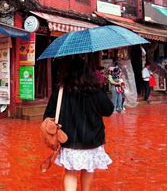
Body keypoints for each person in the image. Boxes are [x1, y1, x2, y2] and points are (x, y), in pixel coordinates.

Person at [43, 57, 114, 191]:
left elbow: (48, 115)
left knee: (70, 172)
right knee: (88, 168)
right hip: (92, 139)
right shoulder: (95, 90)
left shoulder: (60, 91)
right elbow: (108, 110)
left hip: (69, 140)